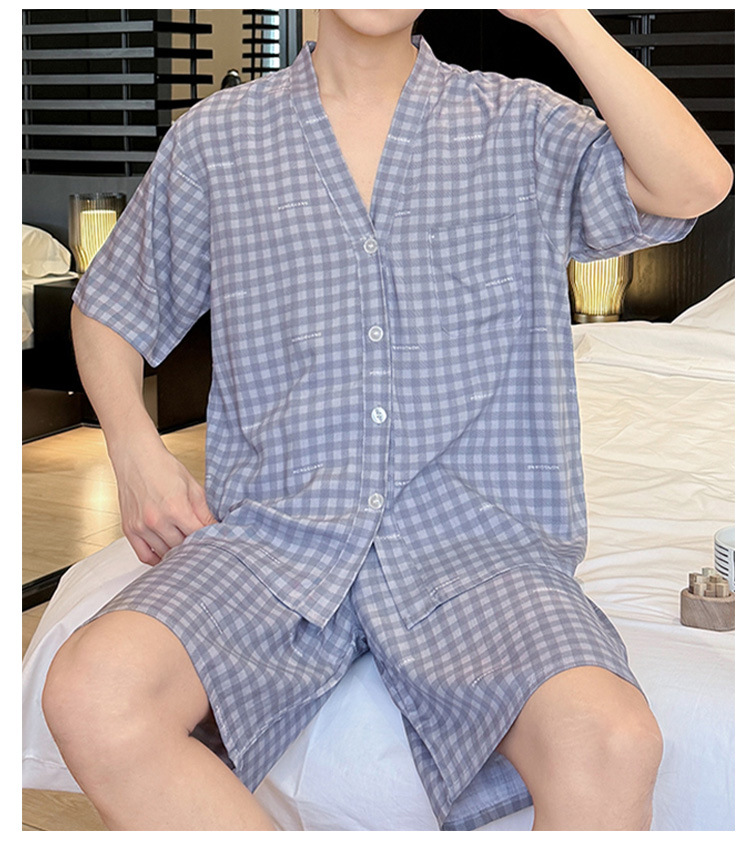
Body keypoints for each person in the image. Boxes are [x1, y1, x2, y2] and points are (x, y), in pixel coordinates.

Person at [41, 9, 732, 832]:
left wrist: (561, 17)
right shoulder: (216, 141)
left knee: (614, 740)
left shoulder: (520, 122)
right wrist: (133, 448)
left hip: (480, 550)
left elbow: (693, 185)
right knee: (91, 691)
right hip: (276, 538)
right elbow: (110, 308)